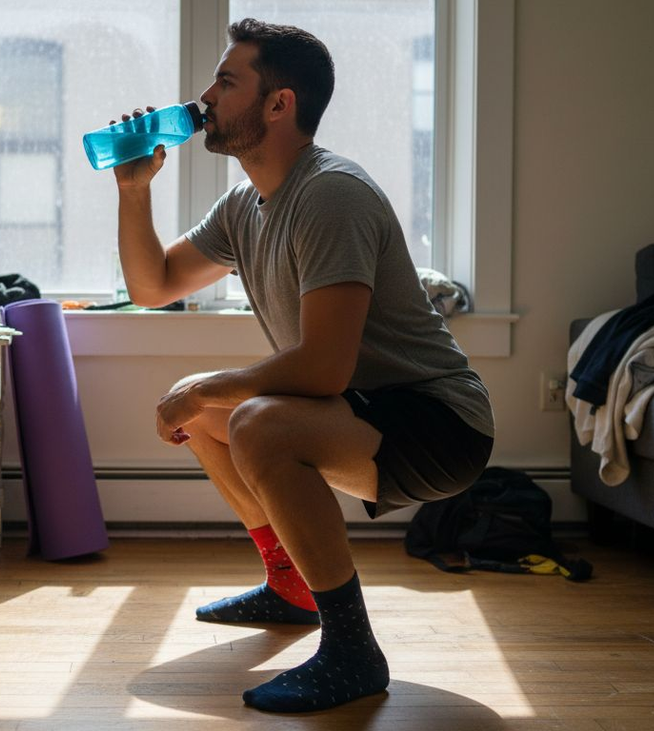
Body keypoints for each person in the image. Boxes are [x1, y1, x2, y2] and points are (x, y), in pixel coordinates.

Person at [109, 18, 495, 713]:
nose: (206, 97)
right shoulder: (245, 205)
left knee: (254, 421)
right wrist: (133, 192)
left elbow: (322, 367)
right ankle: (289, 585)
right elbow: (153, 286)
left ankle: (352, 649)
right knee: (203, 409)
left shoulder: (331, 194)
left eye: (227, 82)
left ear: (278, 103)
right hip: (363, 409)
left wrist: (208, 386)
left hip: (438, 420)